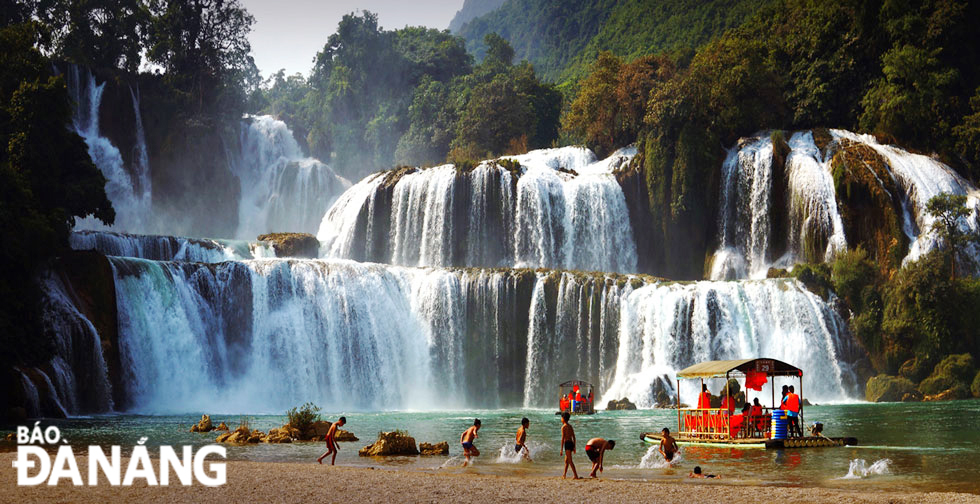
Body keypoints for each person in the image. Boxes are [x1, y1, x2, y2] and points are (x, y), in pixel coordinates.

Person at [560, 412, 580, 479]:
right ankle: (564, 474)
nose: (561, 419)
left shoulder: (563, 427)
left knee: (570, 461)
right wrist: (574, 446)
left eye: (561, 418)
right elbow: (574, 437)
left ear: (563, 419)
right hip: (571, 443)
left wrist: (561, 449)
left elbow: (563, 439)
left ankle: (575, 475)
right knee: (566, 461)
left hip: (567, 444)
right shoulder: (570, 426)